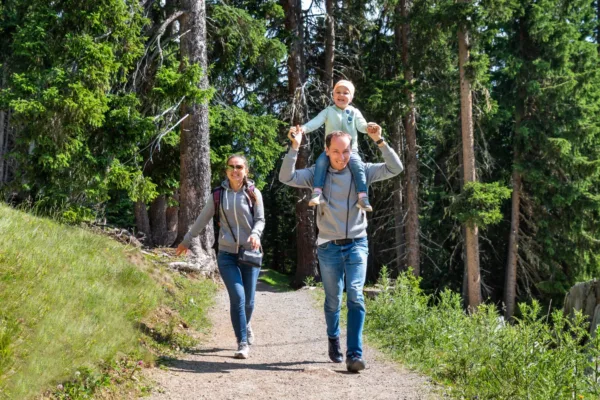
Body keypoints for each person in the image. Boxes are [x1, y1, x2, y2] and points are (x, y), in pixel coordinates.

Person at [279, 125, 403, 372]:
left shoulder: (363, 172)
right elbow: (286, 177)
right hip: (328, 247)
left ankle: (354, 354)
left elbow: (395, 168)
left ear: (351, 151)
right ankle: (333, 337)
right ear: (327, 151)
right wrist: (295, 147)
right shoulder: (318, 174)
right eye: (335, 151)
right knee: (333, 300)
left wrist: (379, 140)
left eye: (345, 151)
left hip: (357, 242)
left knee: (355, 295)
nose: (341, 156)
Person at [176, 154, 264, 360]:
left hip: (250, 252)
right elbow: (202, 219)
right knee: (238, 298)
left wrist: (255, 234)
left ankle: (246, 323)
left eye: (239, 166)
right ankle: (242, 342)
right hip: (226, 255)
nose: (235, 170)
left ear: (246, 170)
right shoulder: (218, 195)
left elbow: (260, 220)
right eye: (231, 167)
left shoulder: (253, 193)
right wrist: (187, 240)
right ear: (226, 171)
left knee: (249, 301)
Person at [290, 79, 376, 212]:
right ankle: (317, 192)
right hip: (331, 151)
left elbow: (361, 125)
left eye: (345, 93)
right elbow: (316, 122)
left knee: (357, 165)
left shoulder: (354, 112)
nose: (341, 95)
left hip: (350, 150)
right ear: (333, 95)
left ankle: (362, 196)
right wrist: (302, 129)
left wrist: (369, 128)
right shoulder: (328, 111)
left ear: (351, 97)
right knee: (320, 163)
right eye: (338, 92)